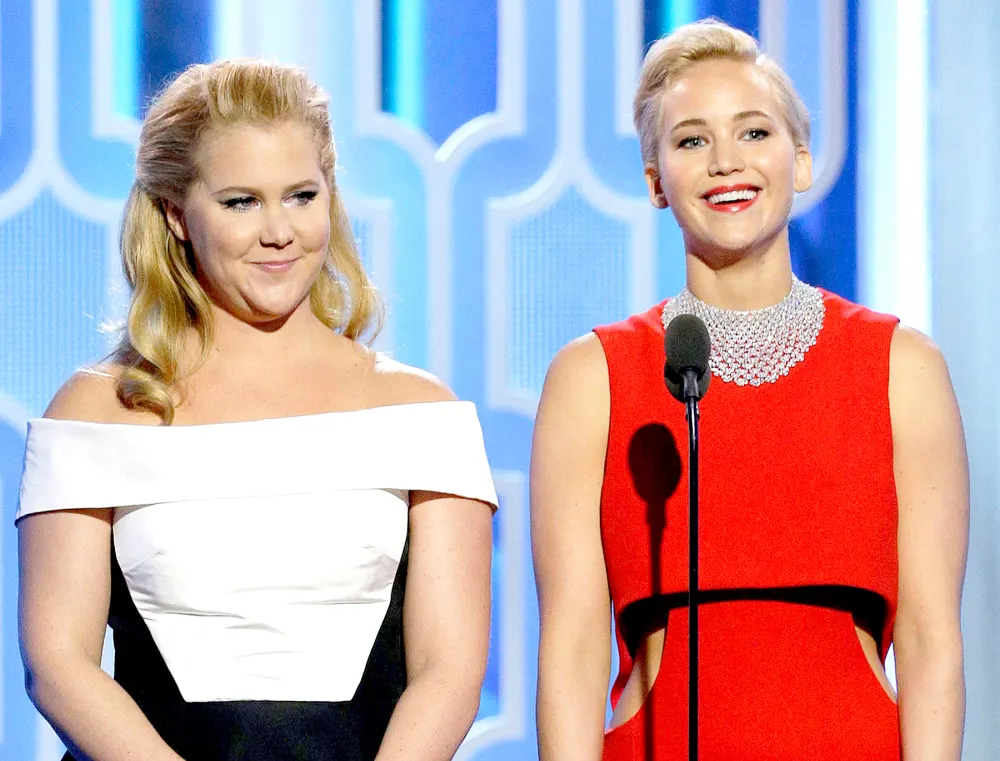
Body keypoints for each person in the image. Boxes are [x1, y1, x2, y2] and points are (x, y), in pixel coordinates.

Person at [17, 59, 497, 761]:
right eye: (241, 202)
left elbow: (448, 673)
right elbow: (58, 665)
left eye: (301, 195)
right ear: (177, 214)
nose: (279, 231)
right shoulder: (99, 410)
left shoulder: (421, 414)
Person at [532, 19, 968, 760]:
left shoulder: (901, 367)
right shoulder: (594, 377)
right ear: (655, 181)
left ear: (800, 161)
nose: (725, 162)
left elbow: (931, 642)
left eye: (754, 132)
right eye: (692, 140)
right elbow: (572, 649)